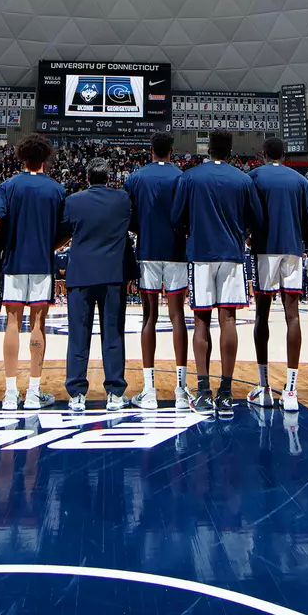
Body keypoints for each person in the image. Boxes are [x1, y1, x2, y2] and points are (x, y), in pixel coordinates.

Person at [170, 130, 261, 415]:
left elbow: (175, 218)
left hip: (200, 254)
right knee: (229, 319)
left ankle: (203, 391)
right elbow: (256, 219)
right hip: (232, 254)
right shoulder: (244, 179)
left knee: (201, 321)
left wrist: (192, 228)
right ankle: (226, 392)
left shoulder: (190, 177)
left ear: (208, 149)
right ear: (231, 151)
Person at [0, 134, 66, 410]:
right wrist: (50, 245)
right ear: (46, 158)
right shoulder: (56, 189)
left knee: (11, 322)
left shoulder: (8, 185)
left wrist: (8, 240)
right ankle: (33, 391)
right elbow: (67, 229)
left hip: (14, 261)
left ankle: (10, 392)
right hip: (42, 263)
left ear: (22, 157)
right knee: (37, 324)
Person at [246, 136, 308, 410]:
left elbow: (249, 214)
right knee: (292, 315)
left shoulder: (254, 176)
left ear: (264, 154)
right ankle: (291, 390)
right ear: (284, 154)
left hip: (265, 249)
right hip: (292, 249)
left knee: (261, 315)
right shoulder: (301, 181)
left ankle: (264, 386)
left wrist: (249, 235)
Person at [59, 159, 132, 412]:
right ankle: (114, 393)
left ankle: (77, 394)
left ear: (87, 178)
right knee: (113, 334)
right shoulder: (122, 199)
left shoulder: (73, 200)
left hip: (80, 275)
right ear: (108, 178)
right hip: (113, 275)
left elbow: (63, 233)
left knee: (79, 335)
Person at [124, 132, 190, 409]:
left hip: (148, 251)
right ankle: (181, 389)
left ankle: (149, 390)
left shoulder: (135, 178)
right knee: (177, 317)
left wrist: (145, 230)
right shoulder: (183, 177)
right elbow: (187, 215)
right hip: (176, 251)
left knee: (148, 317)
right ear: (171, 151)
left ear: (150, 150)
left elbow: (129, 217)